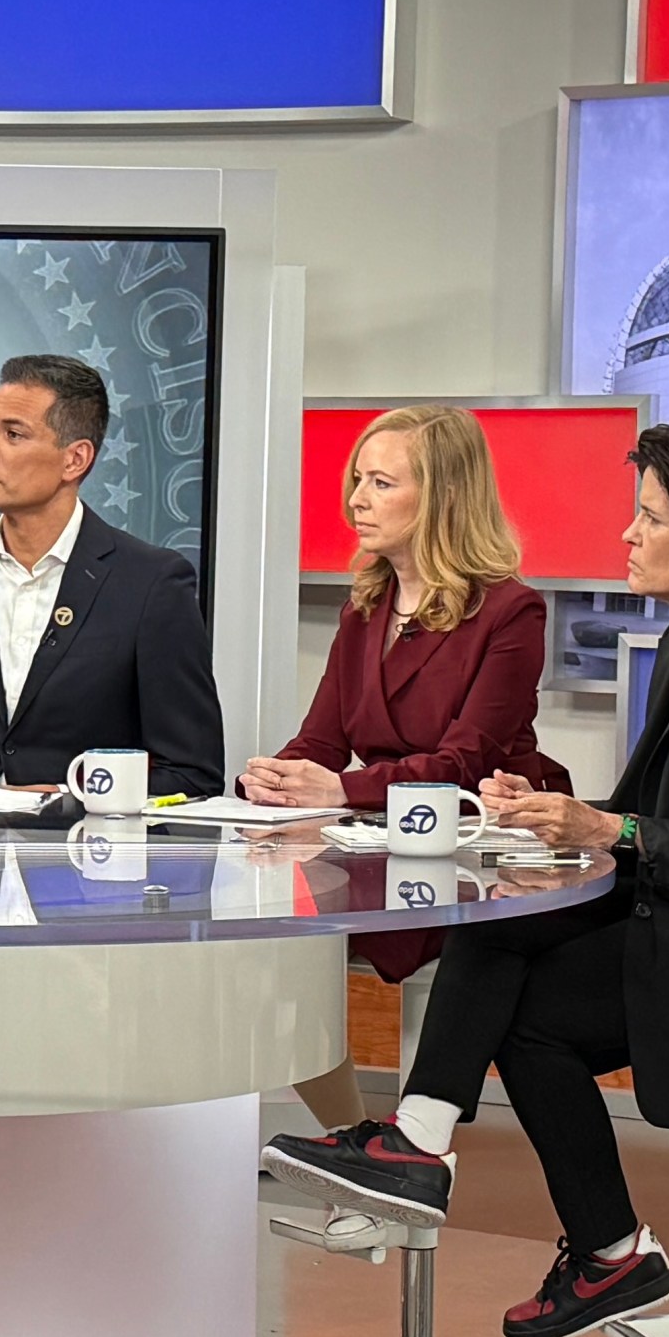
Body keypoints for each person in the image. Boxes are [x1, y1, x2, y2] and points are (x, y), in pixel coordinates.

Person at [262, 422, 669, 1337]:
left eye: (650, 519)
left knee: (514, 962)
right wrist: (553, 817)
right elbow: (653, 810)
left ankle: (423, 1142)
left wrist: (607, 829)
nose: (628, 538)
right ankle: (604, 1246)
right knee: (510, 933)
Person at [240, 404, 572, 1131]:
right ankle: (353, 1141)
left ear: (445, 497)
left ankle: (396, 1151)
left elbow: (463, 764)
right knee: (258, 934)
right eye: (358, 479)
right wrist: (268, 783)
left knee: (303, 933)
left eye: (381, 482)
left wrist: (340, 789)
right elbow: (322, 742)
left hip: (474, 850)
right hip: (380, 842)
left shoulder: (510, 612)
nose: (357, 498)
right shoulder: (365, 608)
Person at [0, 353, 224, 798]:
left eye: (14, 434)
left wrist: (66, 800)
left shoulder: (150, 583)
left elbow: (191, 773)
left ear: (74, 460)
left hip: (85, 856)